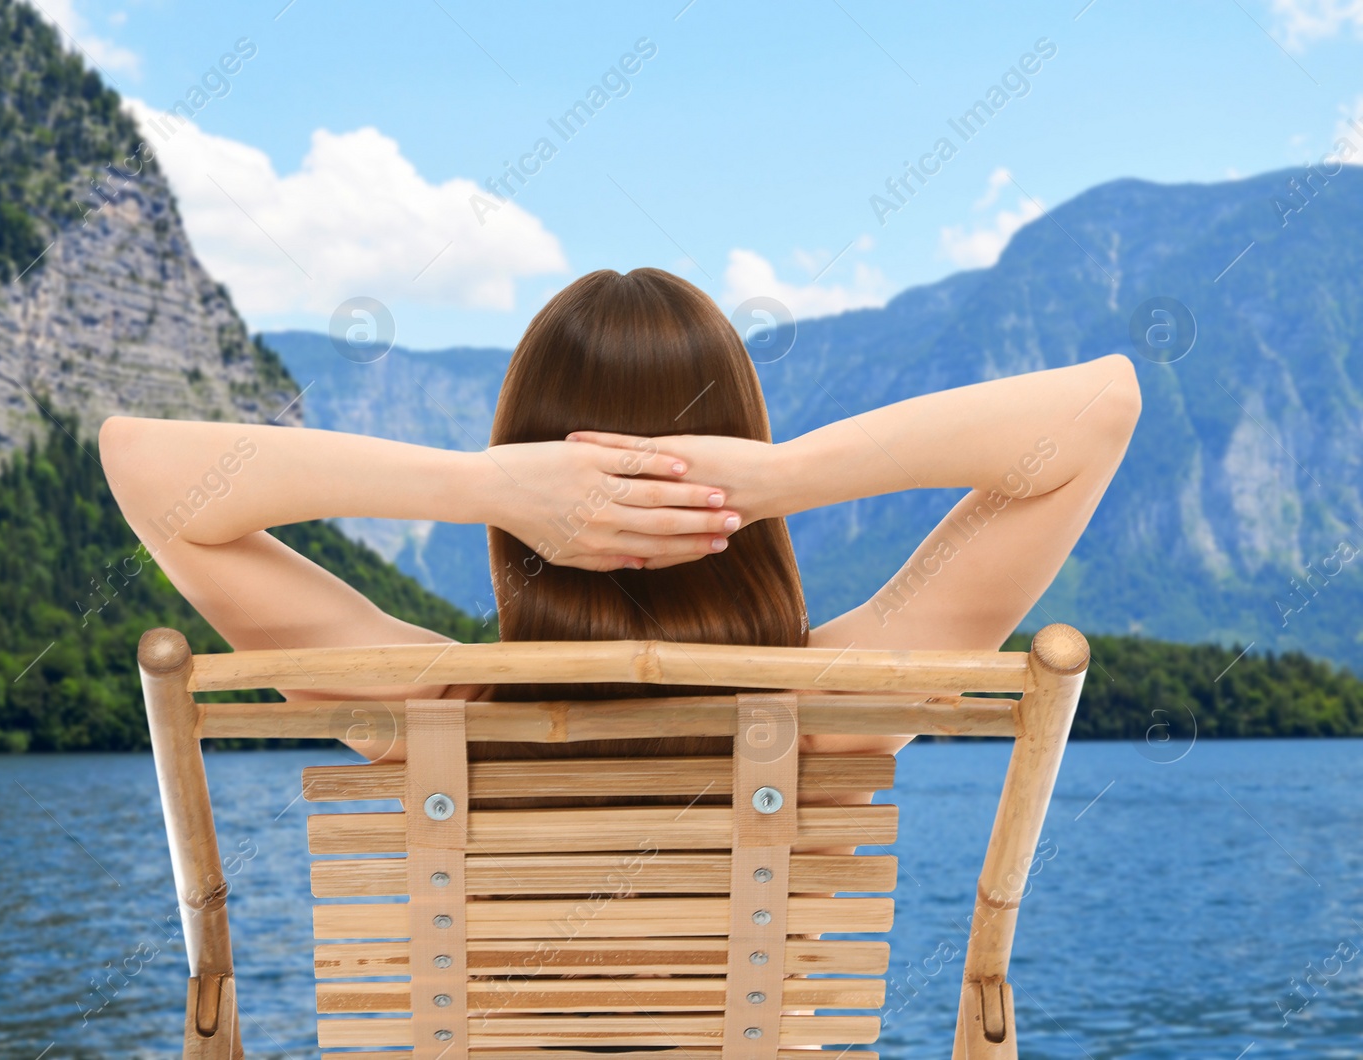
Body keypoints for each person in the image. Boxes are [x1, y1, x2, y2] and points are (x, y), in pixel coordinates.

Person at [98, 265, 1140, 1028]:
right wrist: (774, 479)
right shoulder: (832, 711)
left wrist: (481, 485)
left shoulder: (422, 712)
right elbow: (1098, 411)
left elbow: (143, 465)